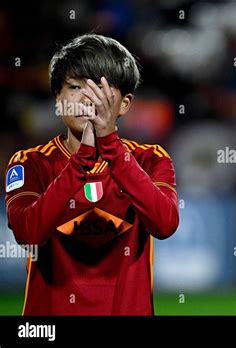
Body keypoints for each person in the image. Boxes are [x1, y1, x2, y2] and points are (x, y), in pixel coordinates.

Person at [4, 34, 179, 315]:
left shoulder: (149, 159)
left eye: (99, 87)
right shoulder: (30, 163)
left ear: (124, 103)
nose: (86, 98)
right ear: (58, 100)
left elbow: (165, 224)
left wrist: (108, 144)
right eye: (74, 87)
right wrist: (82, 160)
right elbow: (28, 233)